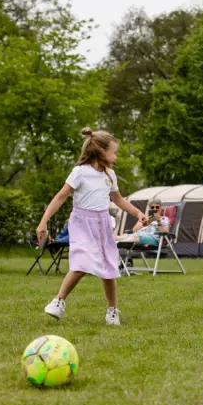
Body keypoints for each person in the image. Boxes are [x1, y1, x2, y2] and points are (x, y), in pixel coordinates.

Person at [36, 128, 148, 326]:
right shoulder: (80, 173)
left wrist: (138, 213)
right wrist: (43, 221)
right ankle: (59, 301)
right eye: (113, 151)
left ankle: (112, 311)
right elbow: (61, 197)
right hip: (81, 223)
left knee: (109, 268)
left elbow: (119, 200)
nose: (116, 156)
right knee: (80, 264)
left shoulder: (110, 175)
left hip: (102, 224)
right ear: (101, 151)